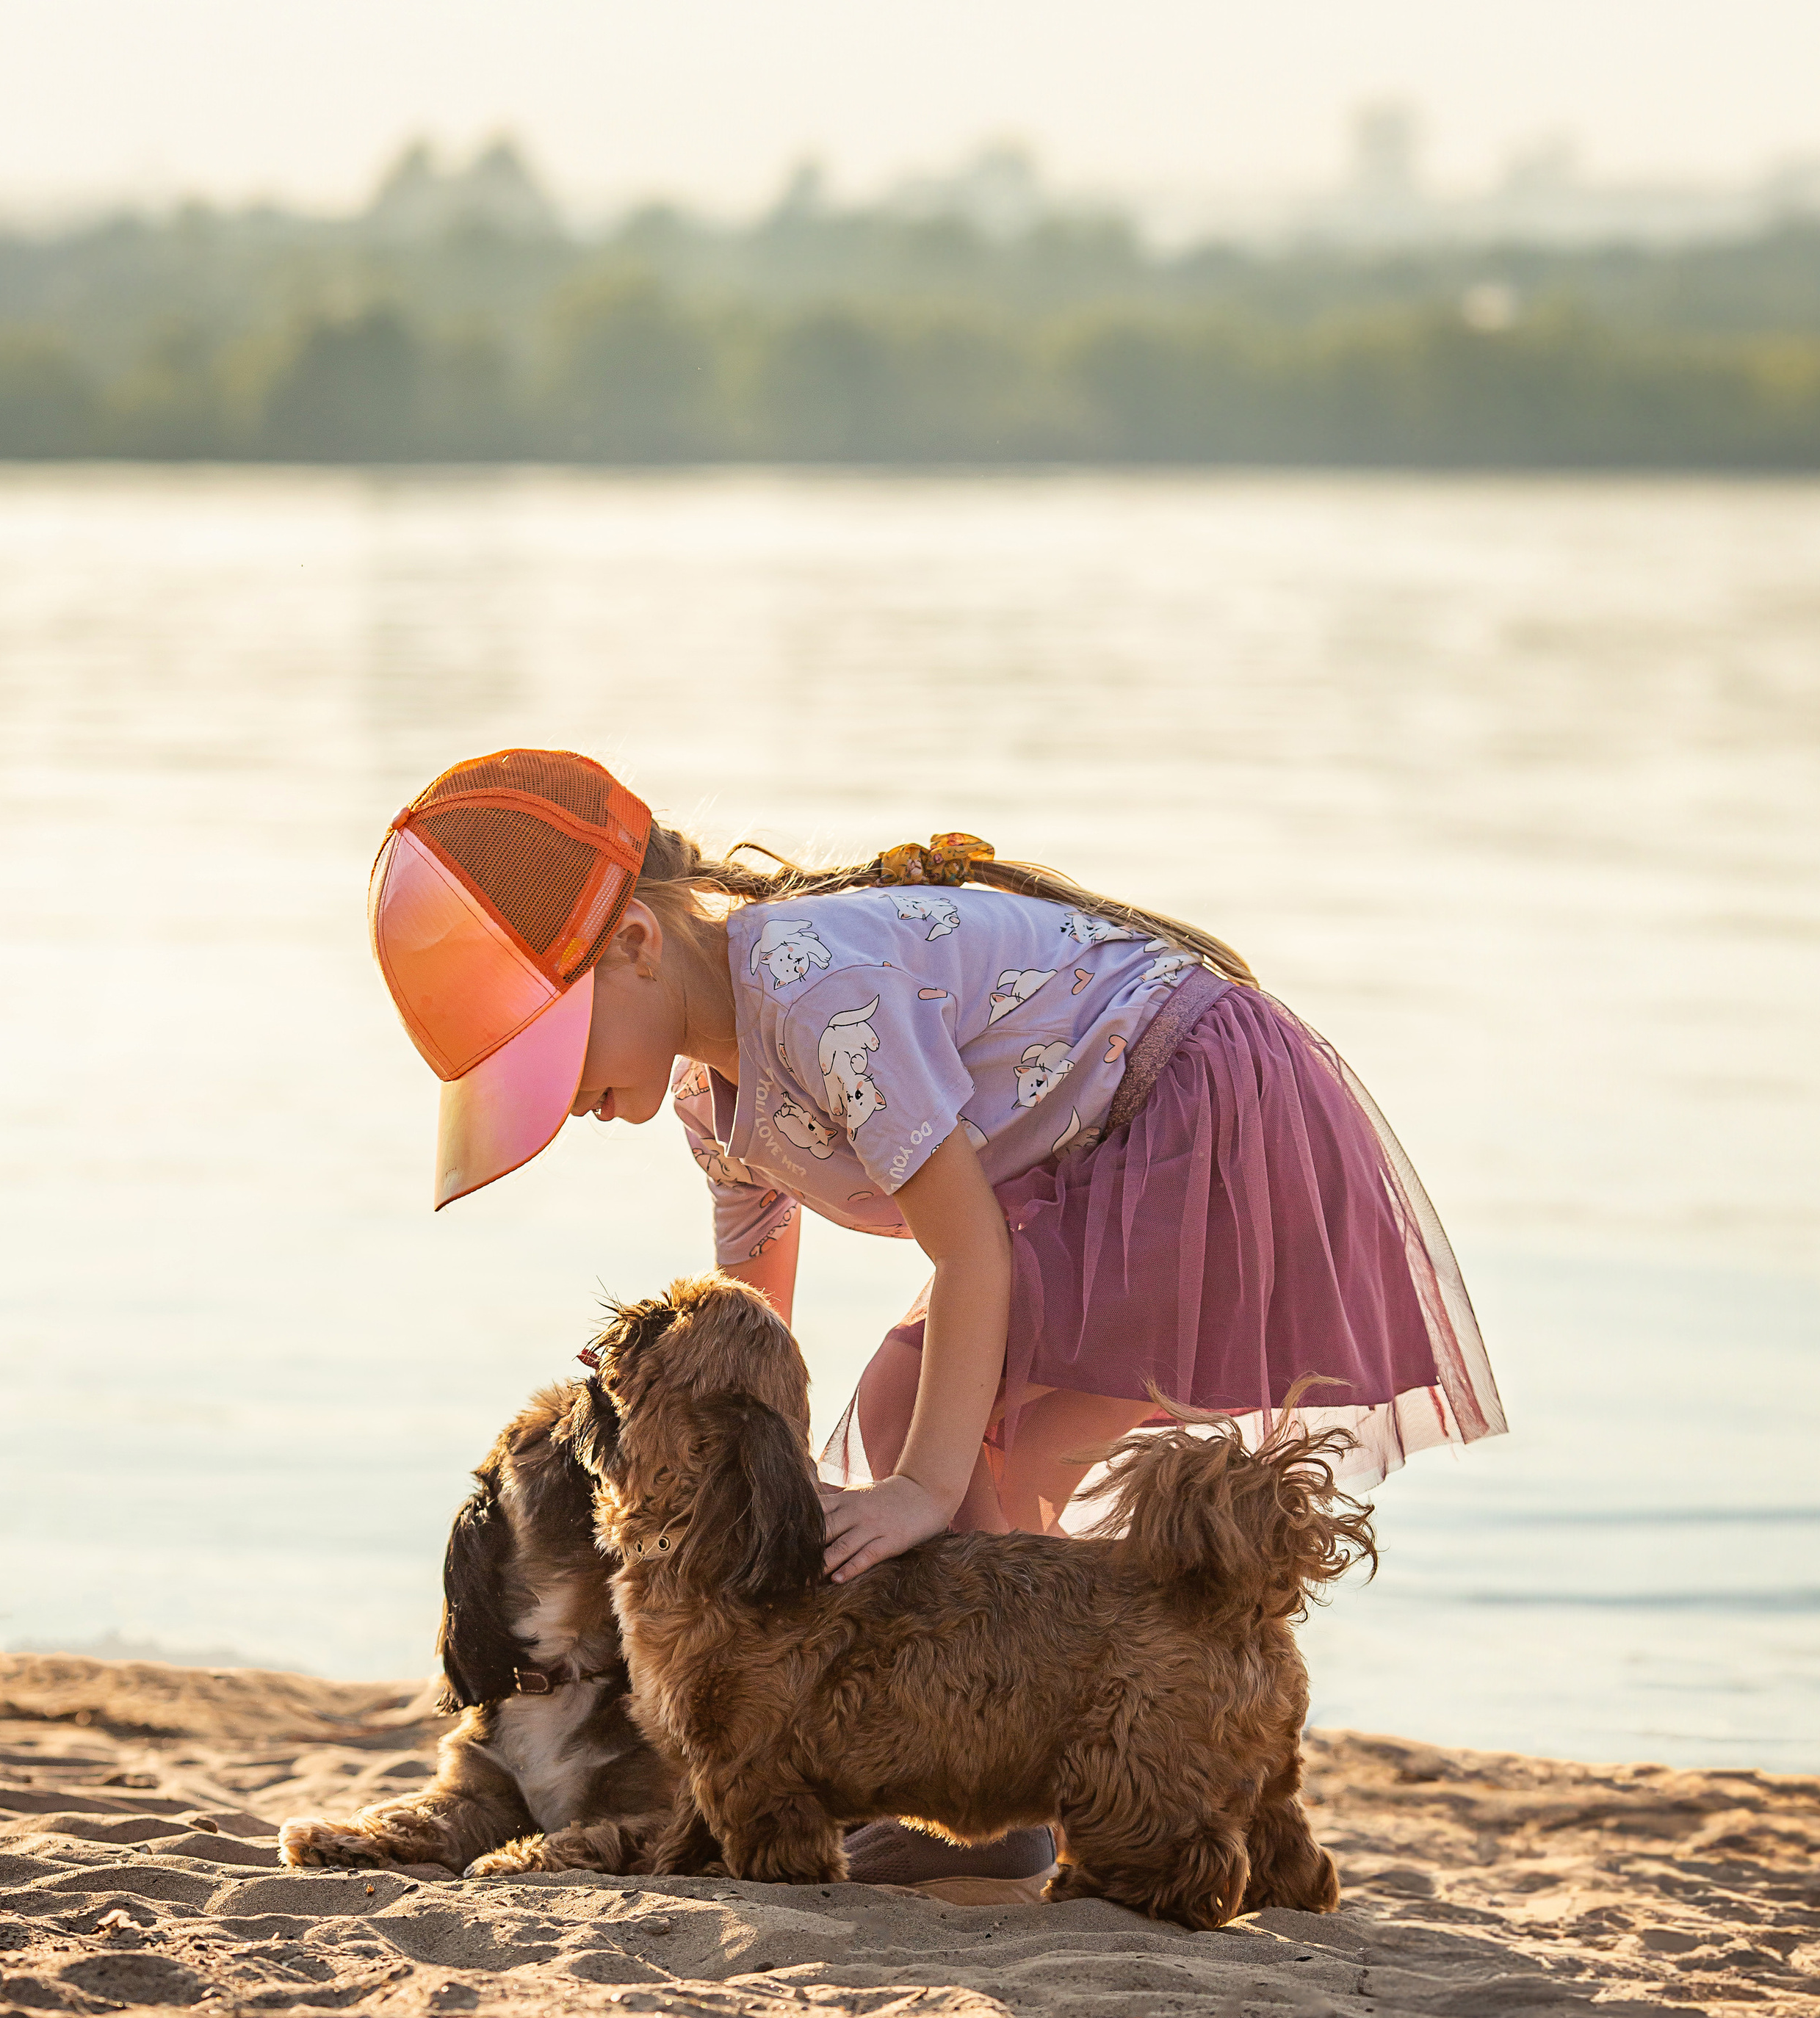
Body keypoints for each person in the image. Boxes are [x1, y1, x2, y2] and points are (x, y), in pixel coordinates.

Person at [370, 747, 1504, 1898]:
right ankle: (1031, 1748)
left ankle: (1035, 1755)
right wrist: (763, 1508)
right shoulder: (714, 1104)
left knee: (938, 1425)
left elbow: (972, 1249)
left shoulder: (816, 996)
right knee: (916, 1412)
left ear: (636, 944)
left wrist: (916, 1492)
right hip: (1092, 1160)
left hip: (1195, 1117)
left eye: (557, 1055)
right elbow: (755, 1336)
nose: (560, 1103)